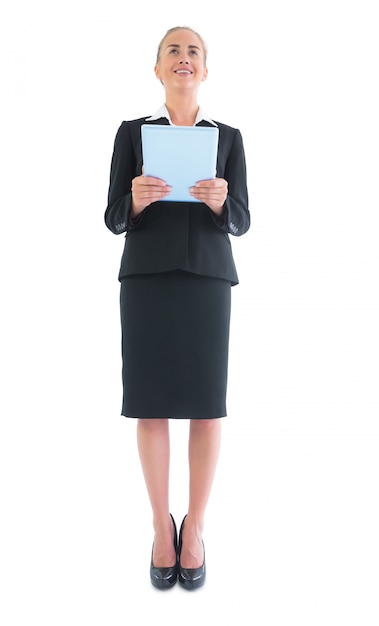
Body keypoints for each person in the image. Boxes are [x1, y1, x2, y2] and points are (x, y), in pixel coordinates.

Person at [105, 26, 250, 590]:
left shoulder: (229, 137)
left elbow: (243, 218)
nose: (184, 58)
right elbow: (112, 215)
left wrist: (222, 205)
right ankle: (160, 528)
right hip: (147, 280)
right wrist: (134, 201)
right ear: (158, 69)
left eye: (194, 51)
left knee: (207, 408)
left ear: (205, 70)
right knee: (150, 406)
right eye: (174, 50)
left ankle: (196, 529)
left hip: (208, 280)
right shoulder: (132, 133)